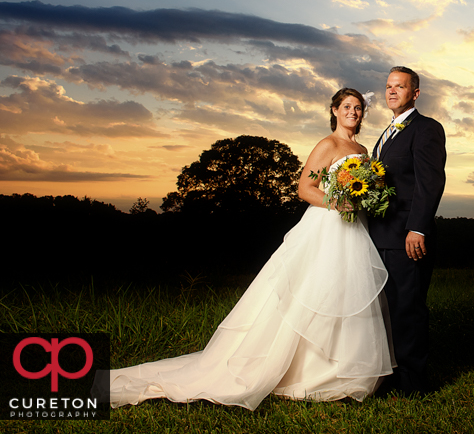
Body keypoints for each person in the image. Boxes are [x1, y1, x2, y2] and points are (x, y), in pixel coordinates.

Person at [104, 88, 394, 410]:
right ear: (335, 110)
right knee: (314, 291)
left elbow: (368, 186)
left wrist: (365, 199)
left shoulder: (363, 149)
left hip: (355, 229)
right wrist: (337, 202)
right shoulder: (328, 145)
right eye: (347, 107)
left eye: (358, 108)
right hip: (327, 226)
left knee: (346, 292)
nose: (353, 112)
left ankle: (341, 372)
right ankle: (303, 369)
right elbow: (304, 188)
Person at [368, 66, 446, 394]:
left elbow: (430, 182)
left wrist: (417, 229)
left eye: (399, 87)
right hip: (378, 235)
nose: (392, 92)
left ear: (414, 93)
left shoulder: (426, 128)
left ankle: (412, 384)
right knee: (385, 309)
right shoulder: (386, 134)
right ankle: (387, 377)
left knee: (407, 309)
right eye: (388, 86)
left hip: (406, 238)